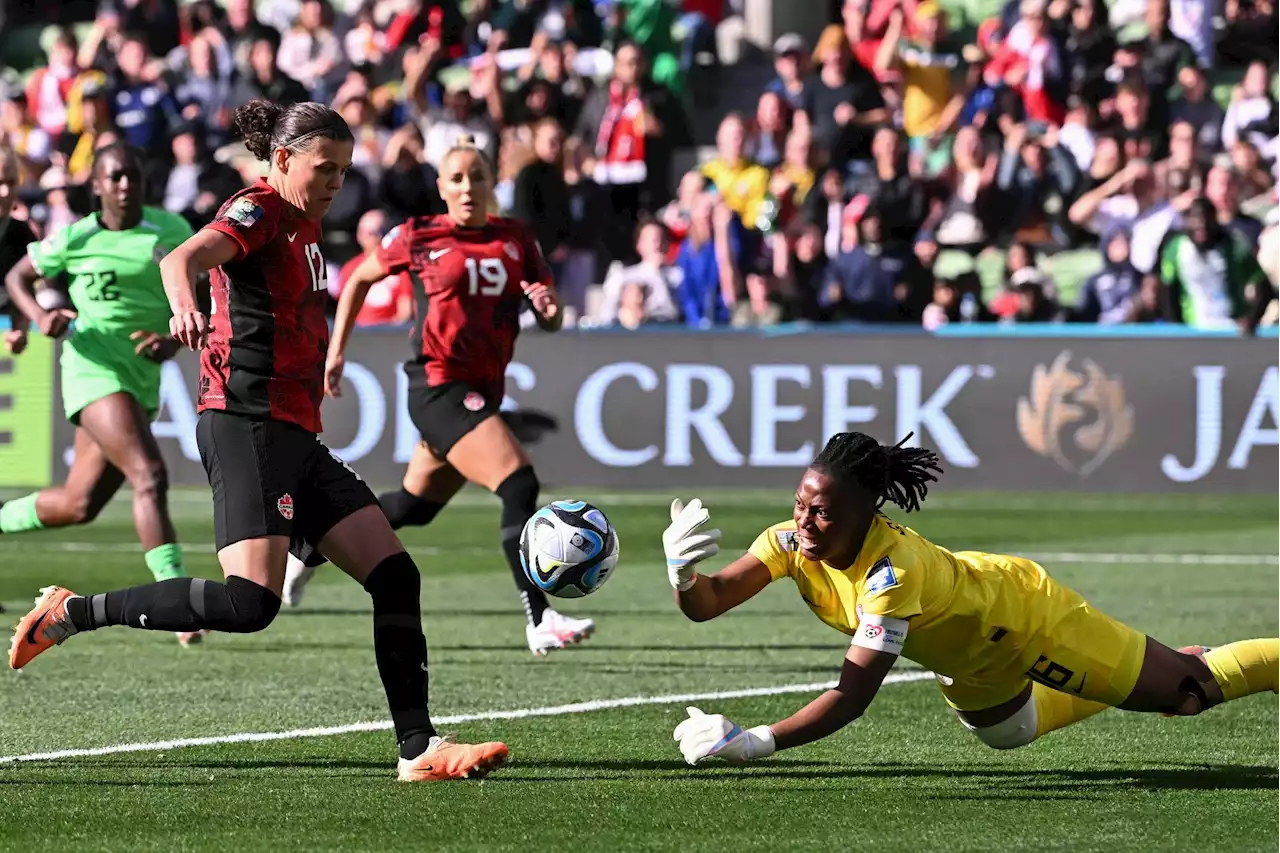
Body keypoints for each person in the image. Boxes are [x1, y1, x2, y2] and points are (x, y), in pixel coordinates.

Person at [7, 101, 508, 783]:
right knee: (250, 604)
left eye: (343, 169)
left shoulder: (302, 224)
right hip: (246, 423)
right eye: (323, 167)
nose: (336, 181)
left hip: (295, 432)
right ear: (281, 160)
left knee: (396, 574)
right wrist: (185, 301)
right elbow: (185, 256)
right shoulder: (261, 208)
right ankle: (71, 613)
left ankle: (417, 748)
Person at [663, 432, 1280, 766]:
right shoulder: (789, 543)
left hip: (1024, 619)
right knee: (1010, 734)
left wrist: (758, 741)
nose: (804, 522)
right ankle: (1139, 669)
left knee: (1188, 694)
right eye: (800, 504)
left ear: (865, 513)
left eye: (823, 512)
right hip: (968, 658)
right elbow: (710, 601)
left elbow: (851, 698)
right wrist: (684, 574)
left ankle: (1212, 666)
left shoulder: (891, 574)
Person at [295, 134, 595, 658]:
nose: (466, 187)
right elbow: (359, 278)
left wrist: (549, 307)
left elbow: (550, 316)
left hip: (481, 391)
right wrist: (337, 350)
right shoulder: (419, 235)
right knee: (518, 482)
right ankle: (540, 617)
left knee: (413, 507)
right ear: (441, 187)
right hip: (436, 386)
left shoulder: (516, 239)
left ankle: (312, 542)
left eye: (476, 177)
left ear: (490, 183)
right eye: (455, 178)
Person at [2, 142, 203, 648]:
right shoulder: (75, 236)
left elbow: (200, 293)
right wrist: (42, 315)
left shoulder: (173, 231)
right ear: (96, 185)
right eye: (113, 177)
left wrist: (172, 338)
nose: (124, 185)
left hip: (141, 376)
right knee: (149, 474)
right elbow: (17, 275)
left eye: (131, 175)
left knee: (78, 504)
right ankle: (175, 601)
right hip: (92, 368)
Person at [0, 146, 35, 353]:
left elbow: (26, 294)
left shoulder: (22, 235)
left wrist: (21, 332)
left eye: (11, 183)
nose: (5, 192)